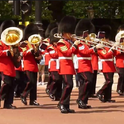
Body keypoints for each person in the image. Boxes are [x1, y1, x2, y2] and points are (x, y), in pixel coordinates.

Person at [74, 19, 102, 109]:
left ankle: (83, 101)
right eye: (86, 33)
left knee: (86, 83)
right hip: (82, 65)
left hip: (87, 65)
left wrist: (96, 45)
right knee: (87, 81)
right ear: (83, 33)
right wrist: (94, 48)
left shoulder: (85, 43)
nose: (88, 35)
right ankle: (81, 99)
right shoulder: (79, 43)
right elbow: (85, 52)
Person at [57, 16, 80, 113]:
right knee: (68, 85)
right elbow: (67, 53)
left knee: (69, 85)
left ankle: (66, 105)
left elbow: (75, 52)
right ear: (65, 33)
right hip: (64, 65)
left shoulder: (69, 42)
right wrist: (74, 44)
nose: (71, 34)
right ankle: (61, 103)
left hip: (69, 65)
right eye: (70, 32)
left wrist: (77, 44)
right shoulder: (60, 43)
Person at [0, 20, 22, 109]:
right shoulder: (1, 43)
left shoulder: (13, 43)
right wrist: (7, 52)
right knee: (7, 83)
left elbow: (19, 51)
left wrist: (18, 54)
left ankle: (8, 103)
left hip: (11, 67)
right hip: (3, 66)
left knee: (11, 85)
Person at [20, 23, 42, 106]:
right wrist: (30, 51)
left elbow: (38, 54)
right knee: (30, 82)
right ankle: (24, 94)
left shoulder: (35, 43)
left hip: (34, 65)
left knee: (34, 83)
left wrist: (39, 56)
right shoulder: (24, 44)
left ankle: (33, 100)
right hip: (27, 64)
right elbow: (23, 53)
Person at [96, 25, 116, 103]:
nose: (107, 40)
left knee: (111, 82)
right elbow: (105, 55)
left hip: (110, 64)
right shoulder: (100, 46)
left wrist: (116, 49)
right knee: (109, 81)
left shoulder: (108, 45)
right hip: (105, 64)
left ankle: (107, 97)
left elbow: (114, 54)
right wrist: (112, 49)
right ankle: (100, 92)